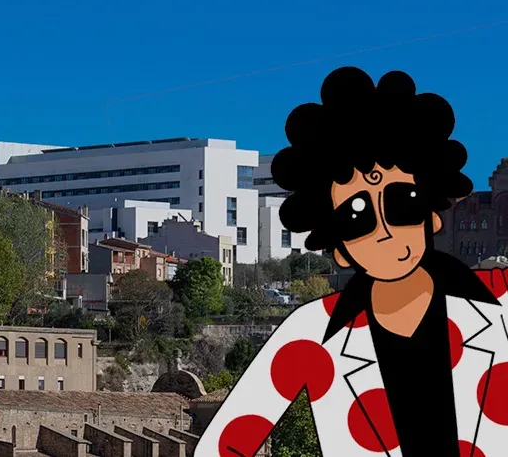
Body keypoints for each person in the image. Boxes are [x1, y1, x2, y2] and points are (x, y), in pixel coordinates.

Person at [195, 66, 508, 457]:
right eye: (357, 217)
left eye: (402, 203)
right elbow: (224, 444)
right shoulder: (310, 333)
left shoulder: (501, 303)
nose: (385, 229)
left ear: (431, 216)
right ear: (339, 248)